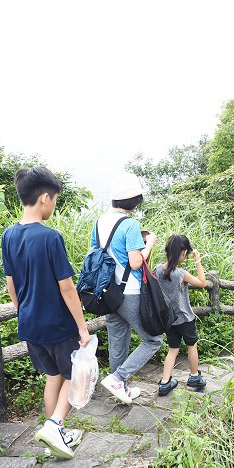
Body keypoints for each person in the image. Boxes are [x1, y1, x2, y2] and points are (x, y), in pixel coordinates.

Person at [2, 167, 92, 460]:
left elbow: (10, 284)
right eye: (54, 200)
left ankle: (56, 431)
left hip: (29, 323)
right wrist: (82, 327)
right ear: (44, 198)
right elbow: (67, 288)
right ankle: (54, 425)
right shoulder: (50, 237)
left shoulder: (9, 235)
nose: (54, 205)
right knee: (74, 374)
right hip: (57, 323)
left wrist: (22, 309)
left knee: (53, 376)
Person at [95, 173, 162, 404]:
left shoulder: (100, 221)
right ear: (135, 200)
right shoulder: (130, 224)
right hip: (129, 291)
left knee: (118, 340)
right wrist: (150, 243)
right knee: (153, 340)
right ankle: (119, 378)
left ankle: (120, 387)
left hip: (108, 291)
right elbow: (135, 262)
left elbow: (96, 253)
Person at [153, 234, 207, 396]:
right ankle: (194, 377)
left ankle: (164, 382)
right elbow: (202, 283)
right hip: (185, 318)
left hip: (169, 320)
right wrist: (198, 261)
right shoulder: (181, 274)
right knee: (192, 345)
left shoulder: (158, 269)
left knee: (173, 349)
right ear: (182, 253)